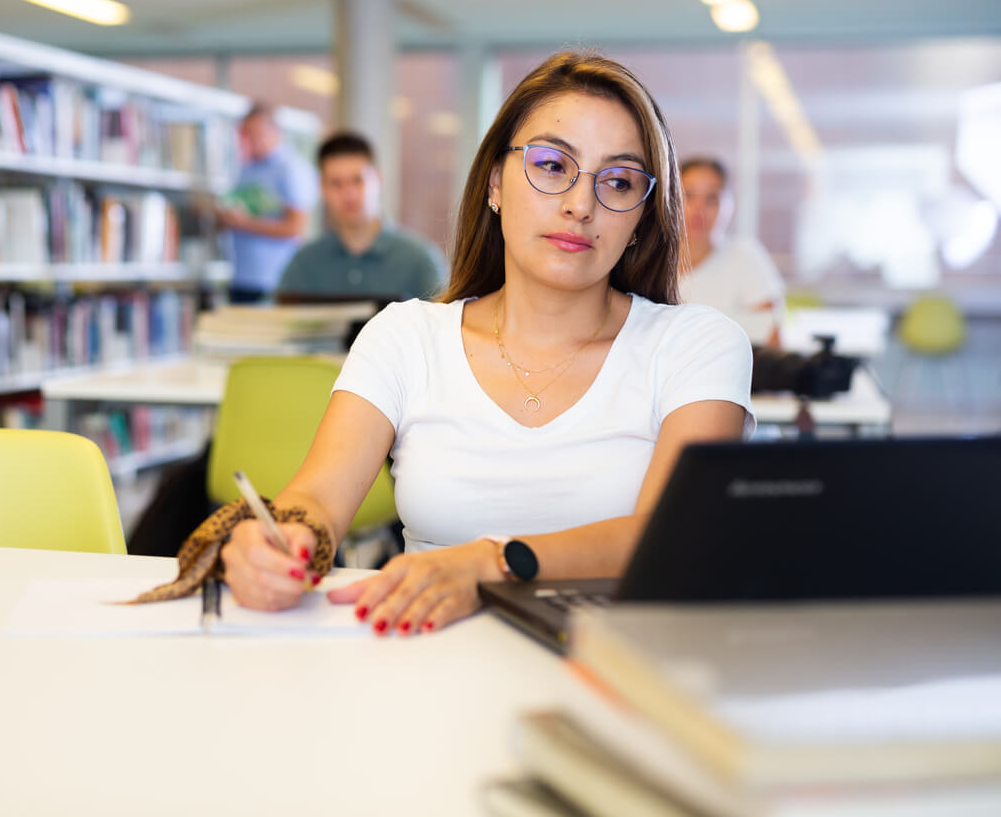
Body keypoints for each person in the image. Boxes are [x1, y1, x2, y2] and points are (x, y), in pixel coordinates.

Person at [219, 51, 755, 634]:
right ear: (496, 182)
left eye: (619, 181)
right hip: (417, 658)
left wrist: (492, 563)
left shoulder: (696, 346)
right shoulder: (406, 337)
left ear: (641, 217)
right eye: (552, 166)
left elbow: (669, 536)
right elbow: (317, 500)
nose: (580, 204)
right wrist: (282, 540)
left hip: (614, 670)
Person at [277, 131, 445, 302]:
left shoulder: (420, 260)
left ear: (378, 178)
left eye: (358, 180)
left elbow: (442, 325)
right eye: (336, 183)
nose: (348, 194)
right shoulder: (303, 264)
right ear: (322, 188)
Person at [216, 102, 318, 303]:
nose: (249, 140)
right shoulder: (246, 169)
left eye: (255, 133)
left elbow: (295, 227)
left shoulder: (291, 169)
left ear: (274, 131)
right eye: (245, 134)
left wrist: (243, 223)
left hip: (274, 282)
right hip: (241, 278)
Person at [678, 156, 785, 346]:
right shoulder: (649, 259)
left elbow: (772, 343)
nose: (698, 209)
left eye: (712, 199)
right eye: (688, 195)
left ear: (729, 206)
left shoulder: (745, 258)